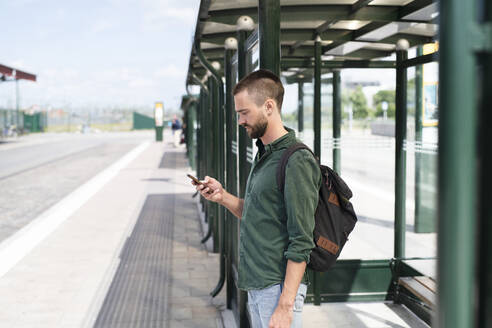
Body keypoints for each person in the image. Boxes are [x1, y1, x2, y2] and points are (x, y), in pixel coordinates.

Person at [194, 69, 321, 328]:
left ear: (269, 106)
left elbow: (302, 240)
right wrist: (222, 197)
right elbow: (258, 213)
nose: (240, 120)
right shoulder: (265, 154)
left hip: (277, 289)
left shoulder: (296, 160)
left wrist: (285, 305)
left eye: (244, 112)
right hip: (258, 286)